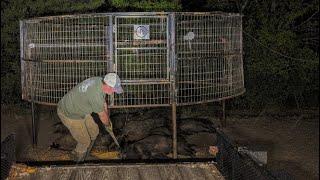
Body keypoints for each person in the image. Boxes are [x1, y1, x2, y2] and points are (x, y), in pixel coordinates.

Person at [57, 73, 123, 162]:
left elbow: (104, 104)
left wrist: (108, 120)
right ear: (107, 85)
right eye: (114, 89)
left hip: (80, 107)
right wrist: (107, 125)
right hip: (69, 113)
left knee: (94, 131)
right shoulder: (96, 96)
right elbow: (102, 115)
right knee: (85, 141)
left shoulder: (100, 81)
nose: (114, 92)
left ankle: (86, 152)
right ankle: (77, 157)